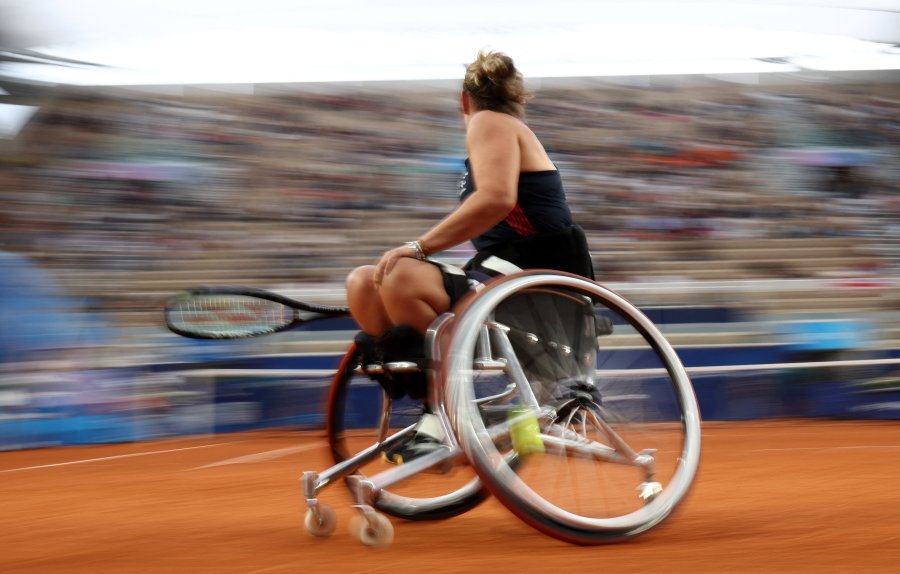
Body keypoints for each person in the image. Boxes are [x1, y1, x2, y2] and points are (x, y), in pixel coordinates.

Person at [345, 50, 594, 464]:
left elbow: (496, 199)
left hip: (534, 284)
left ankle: (443, 415)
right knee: (363, 283)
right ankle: (435, 403)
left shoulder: (489, 122)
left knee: (399, 275)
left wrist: (419, 247)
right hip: (506, 279)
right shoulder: (502, 127)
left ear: (464, 100)